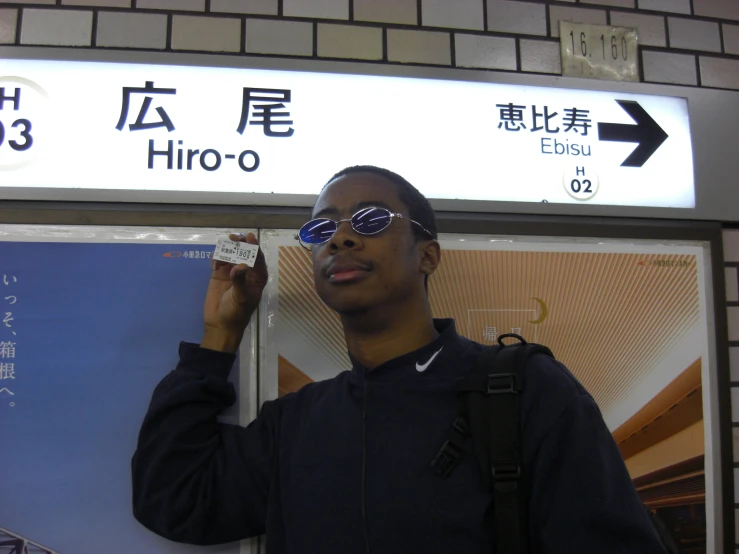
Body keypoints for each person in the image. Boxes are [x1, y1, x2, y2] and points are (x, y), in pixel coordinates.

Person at [132, 166, 667, 553]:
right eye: (321, 231)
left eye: (369, 220)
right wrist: (218, 335)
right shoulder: (297, 422)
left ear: (427, 255)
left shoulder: (524, 390)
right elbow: (176, 499)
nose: (339, 238)